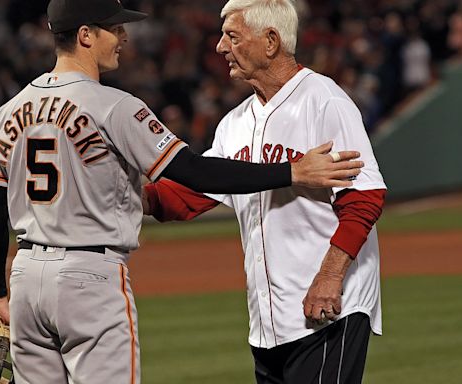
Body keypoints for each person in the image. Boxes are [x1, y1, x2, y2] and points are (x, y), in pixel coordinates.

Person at [0, 0, 363, 383]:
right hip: (89, 278)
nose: (124, 36)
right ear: (85, 35)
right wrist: (292, 171)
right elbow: (194, 172)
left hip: (25, 278)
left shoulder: (9, 110)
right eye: (115, 28)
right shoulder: (115, 107)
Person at [143, 0, 386, 383]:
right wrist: (135, 196)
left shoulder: (324, 100)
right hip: (270, 321)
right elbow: (192, 194)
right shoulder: (234, 123)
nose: (221, 47)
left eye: (232, 36)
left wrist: (329, 277)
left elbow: (364, 198)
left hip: (329, 308)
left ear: (270, 41)